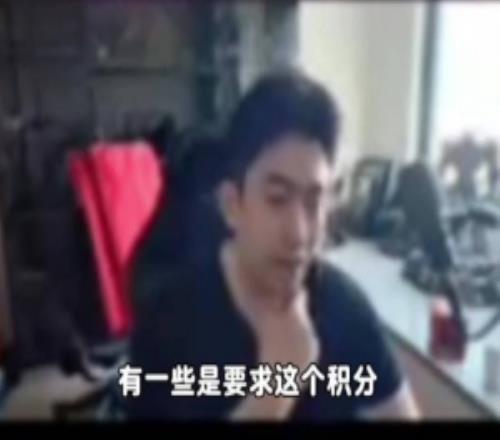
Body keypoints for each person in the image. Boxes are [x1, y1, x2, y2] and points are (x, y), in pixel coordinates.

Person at [128, 69, 420, 421]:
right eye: (277, 198)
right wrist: (276, 389)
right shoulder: (166, 322)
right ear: (232, 205)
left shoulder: (345, 309)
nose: (299, 234)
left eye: (314, 201)